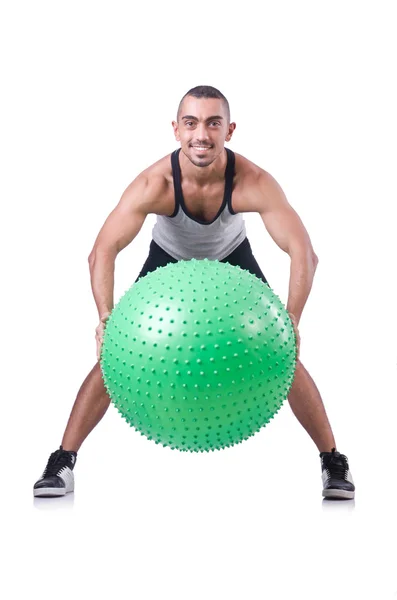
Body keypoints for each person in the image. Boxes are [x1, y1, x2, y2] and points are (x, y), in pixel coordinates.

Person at [33, 85, 355, 500]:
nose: (201, 134)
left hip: (231, 259)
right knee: (115, 353)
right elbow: (101, 251)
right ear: (175, 129)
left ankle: (332, 460)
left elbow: (303, 254)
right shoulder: (156, 183)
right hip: (168, 259)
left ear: (230, 130)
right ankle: (62, 461)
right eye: (191, 123)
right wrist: (104, 317)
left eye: (213, 123)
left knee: (284, 354)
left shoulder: (251, 181)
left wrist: (290, 322)